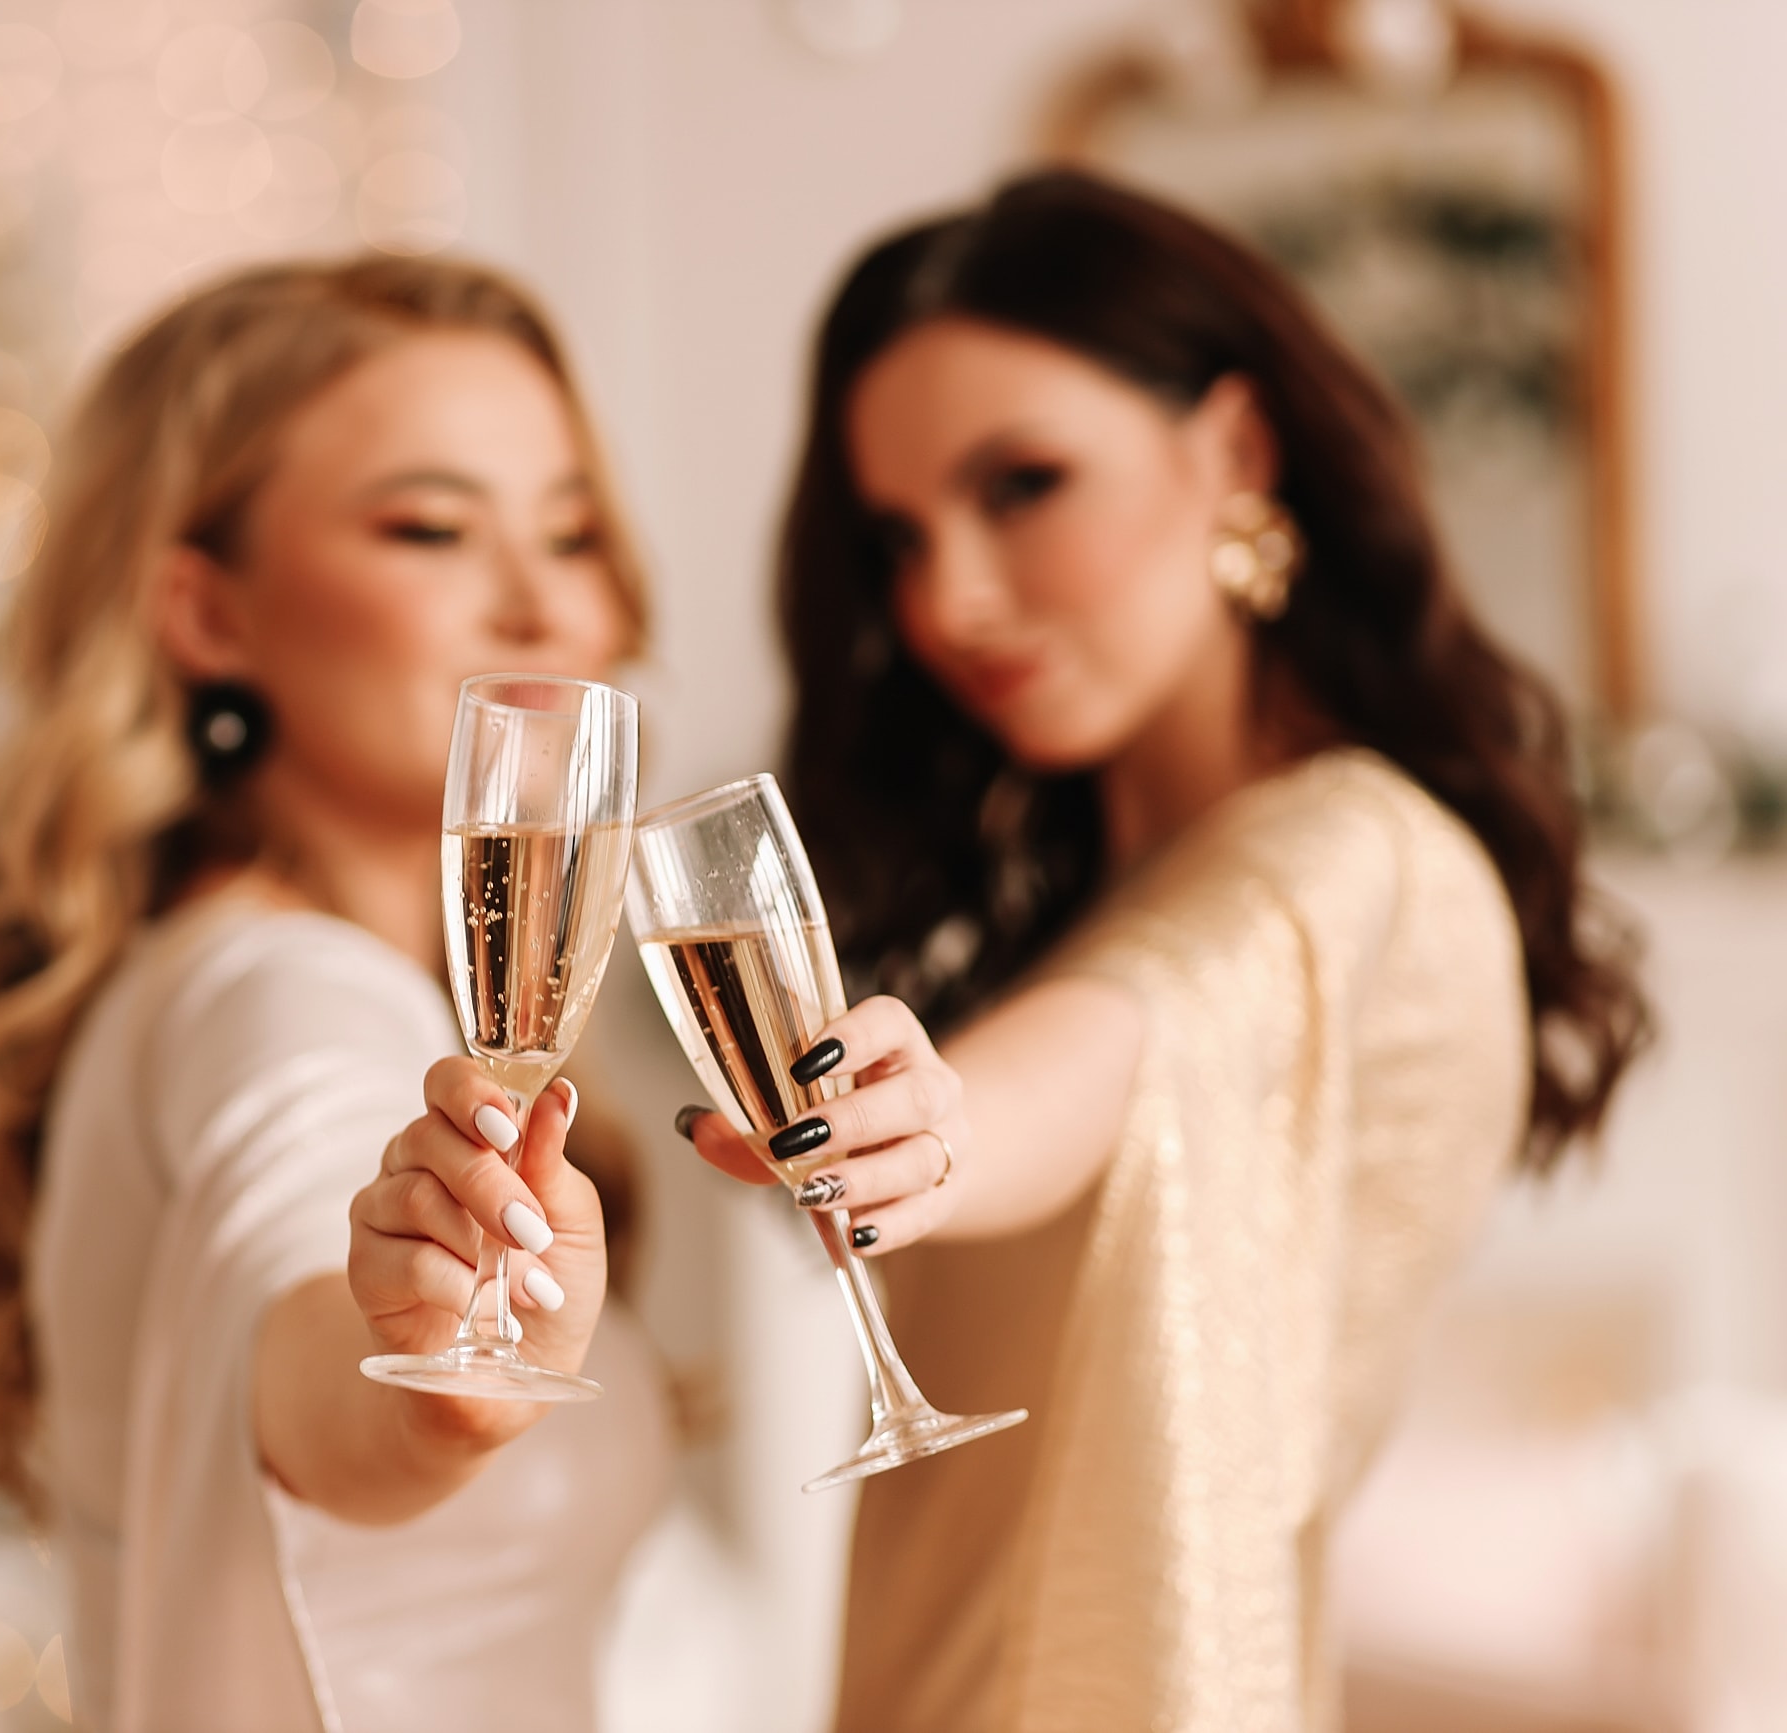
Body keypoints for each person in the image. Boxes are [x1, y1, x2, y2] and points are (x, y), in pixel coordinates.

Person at [675, 170, 1649, 1729]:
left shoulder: (1350, 853)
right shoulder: (1096, 889)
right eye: (899, 537)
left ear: (1237, 452)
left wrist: (942, 1122)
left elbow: (1144, 1028)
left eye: (1023, 485)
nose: (949, 599)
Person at [0, 258, 670, 1732]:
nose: (543, 606)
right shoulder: (280, 991)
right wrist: (437, 1384)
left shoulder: (266, 976)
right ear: (208, 614)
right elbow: (307, 1355)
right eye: (431, 528)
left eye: (573, 533)